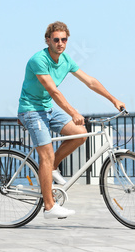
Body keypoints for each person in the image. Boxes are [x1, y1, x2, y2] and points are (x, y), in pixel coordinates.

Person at [17, 21, 126, 219]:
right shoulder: (38, 60)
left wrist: (113, 99)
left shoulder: (66, 60)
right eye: (56, 39)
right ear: (48, 40)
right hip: (31, 110)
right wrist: (73, 112)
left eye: (64, 40)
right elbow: (53, 90)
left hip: (48, 109)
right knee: (46, 153)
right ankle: (49, 207)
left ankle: (50, 169)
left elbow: (90, 81)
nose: (60, 43)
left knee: (80, 134)